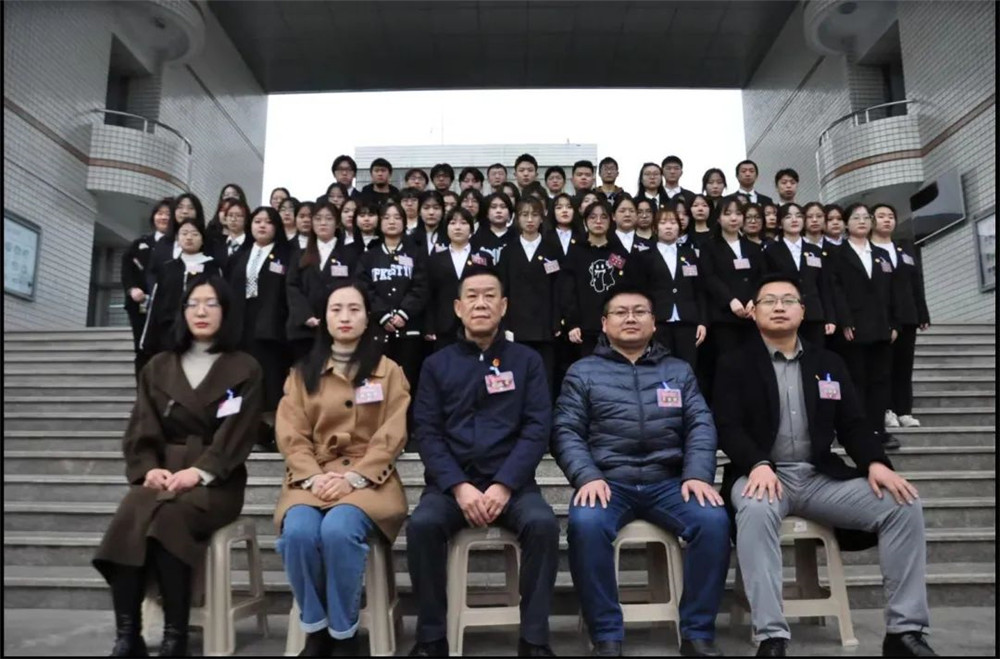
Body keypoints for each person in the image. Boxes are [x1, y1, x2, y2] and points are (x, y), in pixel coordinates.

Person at [713, 274, 936, 658]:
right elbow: (727, 426)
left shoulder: (828, 362)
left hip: (819, 477)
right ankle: (771, 636)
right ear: (754, 312)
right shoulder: (734, 363)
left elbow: (853, 423)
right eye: (769, 301)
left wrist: (876, 463)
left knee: (903, 504)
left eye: (788, 300)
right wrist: (758, 463)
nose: (779, 307)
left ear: (803, 311)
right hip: (762, 475)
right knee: (755, 510)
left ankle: (904, 631)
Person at [553, 286, 729, 658]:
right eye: (620, 312)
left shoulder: (678, 370)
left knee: (713, 521)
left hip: (669, 482)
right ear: (604, 324)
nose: (630, 318)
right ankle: (606, 635)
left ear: (653, 323)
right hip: (608, 481)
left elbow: (700, 424)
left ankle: (697, 633)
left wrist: (697, 474)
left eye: (639, 311)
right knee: (585, 524)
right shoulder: (582, 372)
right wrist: (587, 476)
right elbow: (566, 430)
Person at [94, 274, 263, 657]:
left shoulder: (245, 368)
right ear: (182, 311)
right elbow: (142, 425)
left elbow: (238, 433)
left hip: (216, 482)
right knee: (130, 515)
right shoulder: (158, 366)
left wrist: (199, 471)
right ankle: (128, 635)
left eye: (211, 303)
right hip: (163, 474)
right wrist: (147, 468)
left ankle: (176, 635)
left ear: (226, 311)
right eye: (193, 303)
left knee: (169, 519)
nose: (201, 311)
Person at [407, 268, 559, 658]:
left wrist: (505, 484)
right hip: (451, 487)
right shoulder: (437, 365)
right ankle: (431, 638)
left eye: (489, 296)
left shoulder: (527, 361)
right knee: (422, 525)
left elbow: (537, 427)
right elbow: (427, 432)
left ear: (503, 306)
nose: (481, 304)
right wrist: (458, 486)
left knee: (543, 525)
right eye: (472, 296)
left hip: (513, 486)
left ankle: (535, 639)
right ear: (458, 308)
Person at [275, 281, 410, 657]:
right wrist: (315, 477)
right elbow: (291, 435)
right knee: (297, 532)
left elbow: (393, 433)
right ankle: (316, 628)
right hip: (312, 477)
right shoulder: (302, 373)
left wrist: (353, 478)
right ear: (324, 318)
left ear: (367, 319)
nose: (345, 317)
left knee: (338, 530)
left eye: (354, 309)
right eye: (336, 309)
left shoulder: (388, 371)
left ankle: (343, 632)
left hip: (370, 481)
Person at [830, 203, 900, 450]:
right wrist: (845, 321)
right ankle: (858, 431)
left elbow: (892, 292)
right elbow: (835, 290)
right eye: (856, 217)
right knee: (856, 380)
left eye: (866, 217)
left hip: (881, 327)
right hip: (853, 328)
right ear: (846, 224)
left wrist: (895, 323)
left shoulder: (881, 255)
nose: (862, 221)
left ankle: (878, 429)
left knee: (880, 380)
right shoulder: (837, 254)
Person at [226, 206, 291, 448]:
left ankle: (271, 432)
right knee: (242, 379)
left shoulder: (286, 255)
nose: (262, 225)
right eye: (257, 221)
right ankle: (243, 432)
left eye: (268, 222)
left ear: (276, 227)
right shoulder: (239, 257)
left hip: (271, 329)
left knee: (270, 381)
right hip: (241, 326)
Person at [871, 203, 930, 431]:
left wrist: (922, 311)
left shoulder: (905, 248)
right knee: (883, 366)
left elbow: (916, 281)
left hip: (907, 315)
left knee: (904, 366)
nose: (887, 220)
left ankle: (905, 411)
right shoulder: (867, 250)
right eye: (881, 216)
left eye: (890, 216)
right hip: (881, 317)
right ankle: (887, 410)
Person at [357, 202, 429, 389]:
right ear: (379, 222)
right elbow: (364, 288)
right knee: (378, 382)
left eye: (397, 218)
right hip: (378, 331)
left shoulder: (416, 253)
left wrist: (404, 313)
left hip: (409, 330)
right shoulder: (369, 256)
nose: (392, 222)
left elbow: (421, 286)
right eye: (387, 217)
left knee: (408, 383)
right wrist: (382, 314)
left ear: (404, 222)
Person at [498, 196, 563, 388]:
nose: (529, 219)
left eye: (534, 215)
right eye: (524, 214)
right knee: (516, 377)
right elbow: (503, 290)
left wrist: (556, 321)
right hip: (516, 326)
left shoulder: (552, 249)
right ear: (517, 218)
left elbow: (558, 287)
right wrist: (505, 323)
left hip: (544, 326)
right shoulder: (508, 251)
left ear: (542, 218)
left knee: (545, 377)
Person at [561, 200, 637, 357]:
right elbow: (568, 290)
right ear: (585, 221)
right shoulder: (576, 251)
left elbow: (628, 286)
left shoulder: (617, 252)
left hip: (616, 325)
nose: (598, 221)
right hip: (584, 328)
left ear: (611, 221)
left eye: (603, 217)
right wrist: (572, 323)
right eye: (593, 217)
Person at [286, 202, 359, 363]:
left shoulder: (350, 255)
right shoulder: (299, 255)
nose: (323, 223)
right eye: (318, 219)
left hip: (337, 327)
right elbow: (292, 286)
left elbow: (354, 288)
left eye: (328, 218)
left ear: (337, 223)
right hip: (304, 330)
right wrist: (306, 316)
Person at [140, 214, 222, 358]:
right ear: (177, 239)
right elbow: (157, 302)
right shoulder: (167, 268)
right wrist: (149, 338)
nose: (189, 237)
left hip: (201, 330)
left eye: (194, 234)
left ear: (202, 239)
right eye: (184, 233)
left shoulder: (212, 267)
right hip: (169, 332)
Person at [635, 207, 707, 369]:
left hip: (687, 321)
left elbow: (699, 290)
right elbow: (641, 292)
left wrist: (702, 322)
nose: (668, 226)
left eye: (673, 223)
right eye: (663, 223)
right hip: (658, 321)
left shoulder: (689, 254)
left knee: (687, 367)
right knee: (660, 367)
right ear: (655, 228)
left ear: (679, 228)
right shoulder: (645, 256)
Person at [762, 203, 837, 347]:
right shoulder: (771, 251)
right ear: (780, 223)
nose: (794, 220)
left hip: (814, 314)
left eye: (798, 216)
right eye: (788, 216)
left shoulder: (815, 251)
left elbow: (824, 286)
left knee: (815, 355)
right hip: (785, 314)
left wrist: (830, 318)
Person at [423, 207, 493, 352]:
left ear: (471, 229)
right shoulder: (435, 258)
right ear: (446, 228)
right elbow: (429, 294)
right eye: (453, 223)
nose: (458, 227)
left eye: (463, 223)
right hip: (444, 324)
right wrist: (429, 326)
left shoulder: (483, 258)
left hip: (476, 319)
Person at [701, 198, 764, 360]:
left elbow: (761, 277)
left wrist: (754, 299)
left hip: (752, 314)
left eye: (738, 213)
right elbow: (709, 277)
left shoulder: (754, 248)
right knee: (728, 362)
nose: (734, 218)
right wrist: (730, 300)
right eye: (727, 214)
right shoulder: (709, 247)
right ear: (718, 218)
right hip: (724, 317)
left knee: (754, 360)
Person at [122, 199, 173, 379]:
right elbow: (127, 270)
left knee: (166, 351)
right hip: (141, 307)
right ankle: (143, 392)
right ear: (153, 217)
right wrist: (132, 289)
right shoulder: (140, 243)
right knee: (143, 350)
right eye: (160, 213)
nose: (163, 217)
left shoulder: (178, 244)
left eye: (168, 214)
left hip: (167, 308)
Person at [472, 192, 514, 263]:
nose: (498, 211)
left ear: (509, 213)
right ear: (487, 213)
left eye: (503, 207)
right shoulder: (477, 238)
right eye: (493, 207)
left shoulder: (517, 237)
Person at [412, 190, 448, 256]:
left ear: (443, 211)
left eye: (436, 208)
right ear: (419, 212)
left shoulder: (450, 237)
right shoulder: (410, 238)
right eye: (426, 208)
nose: (431, 212)